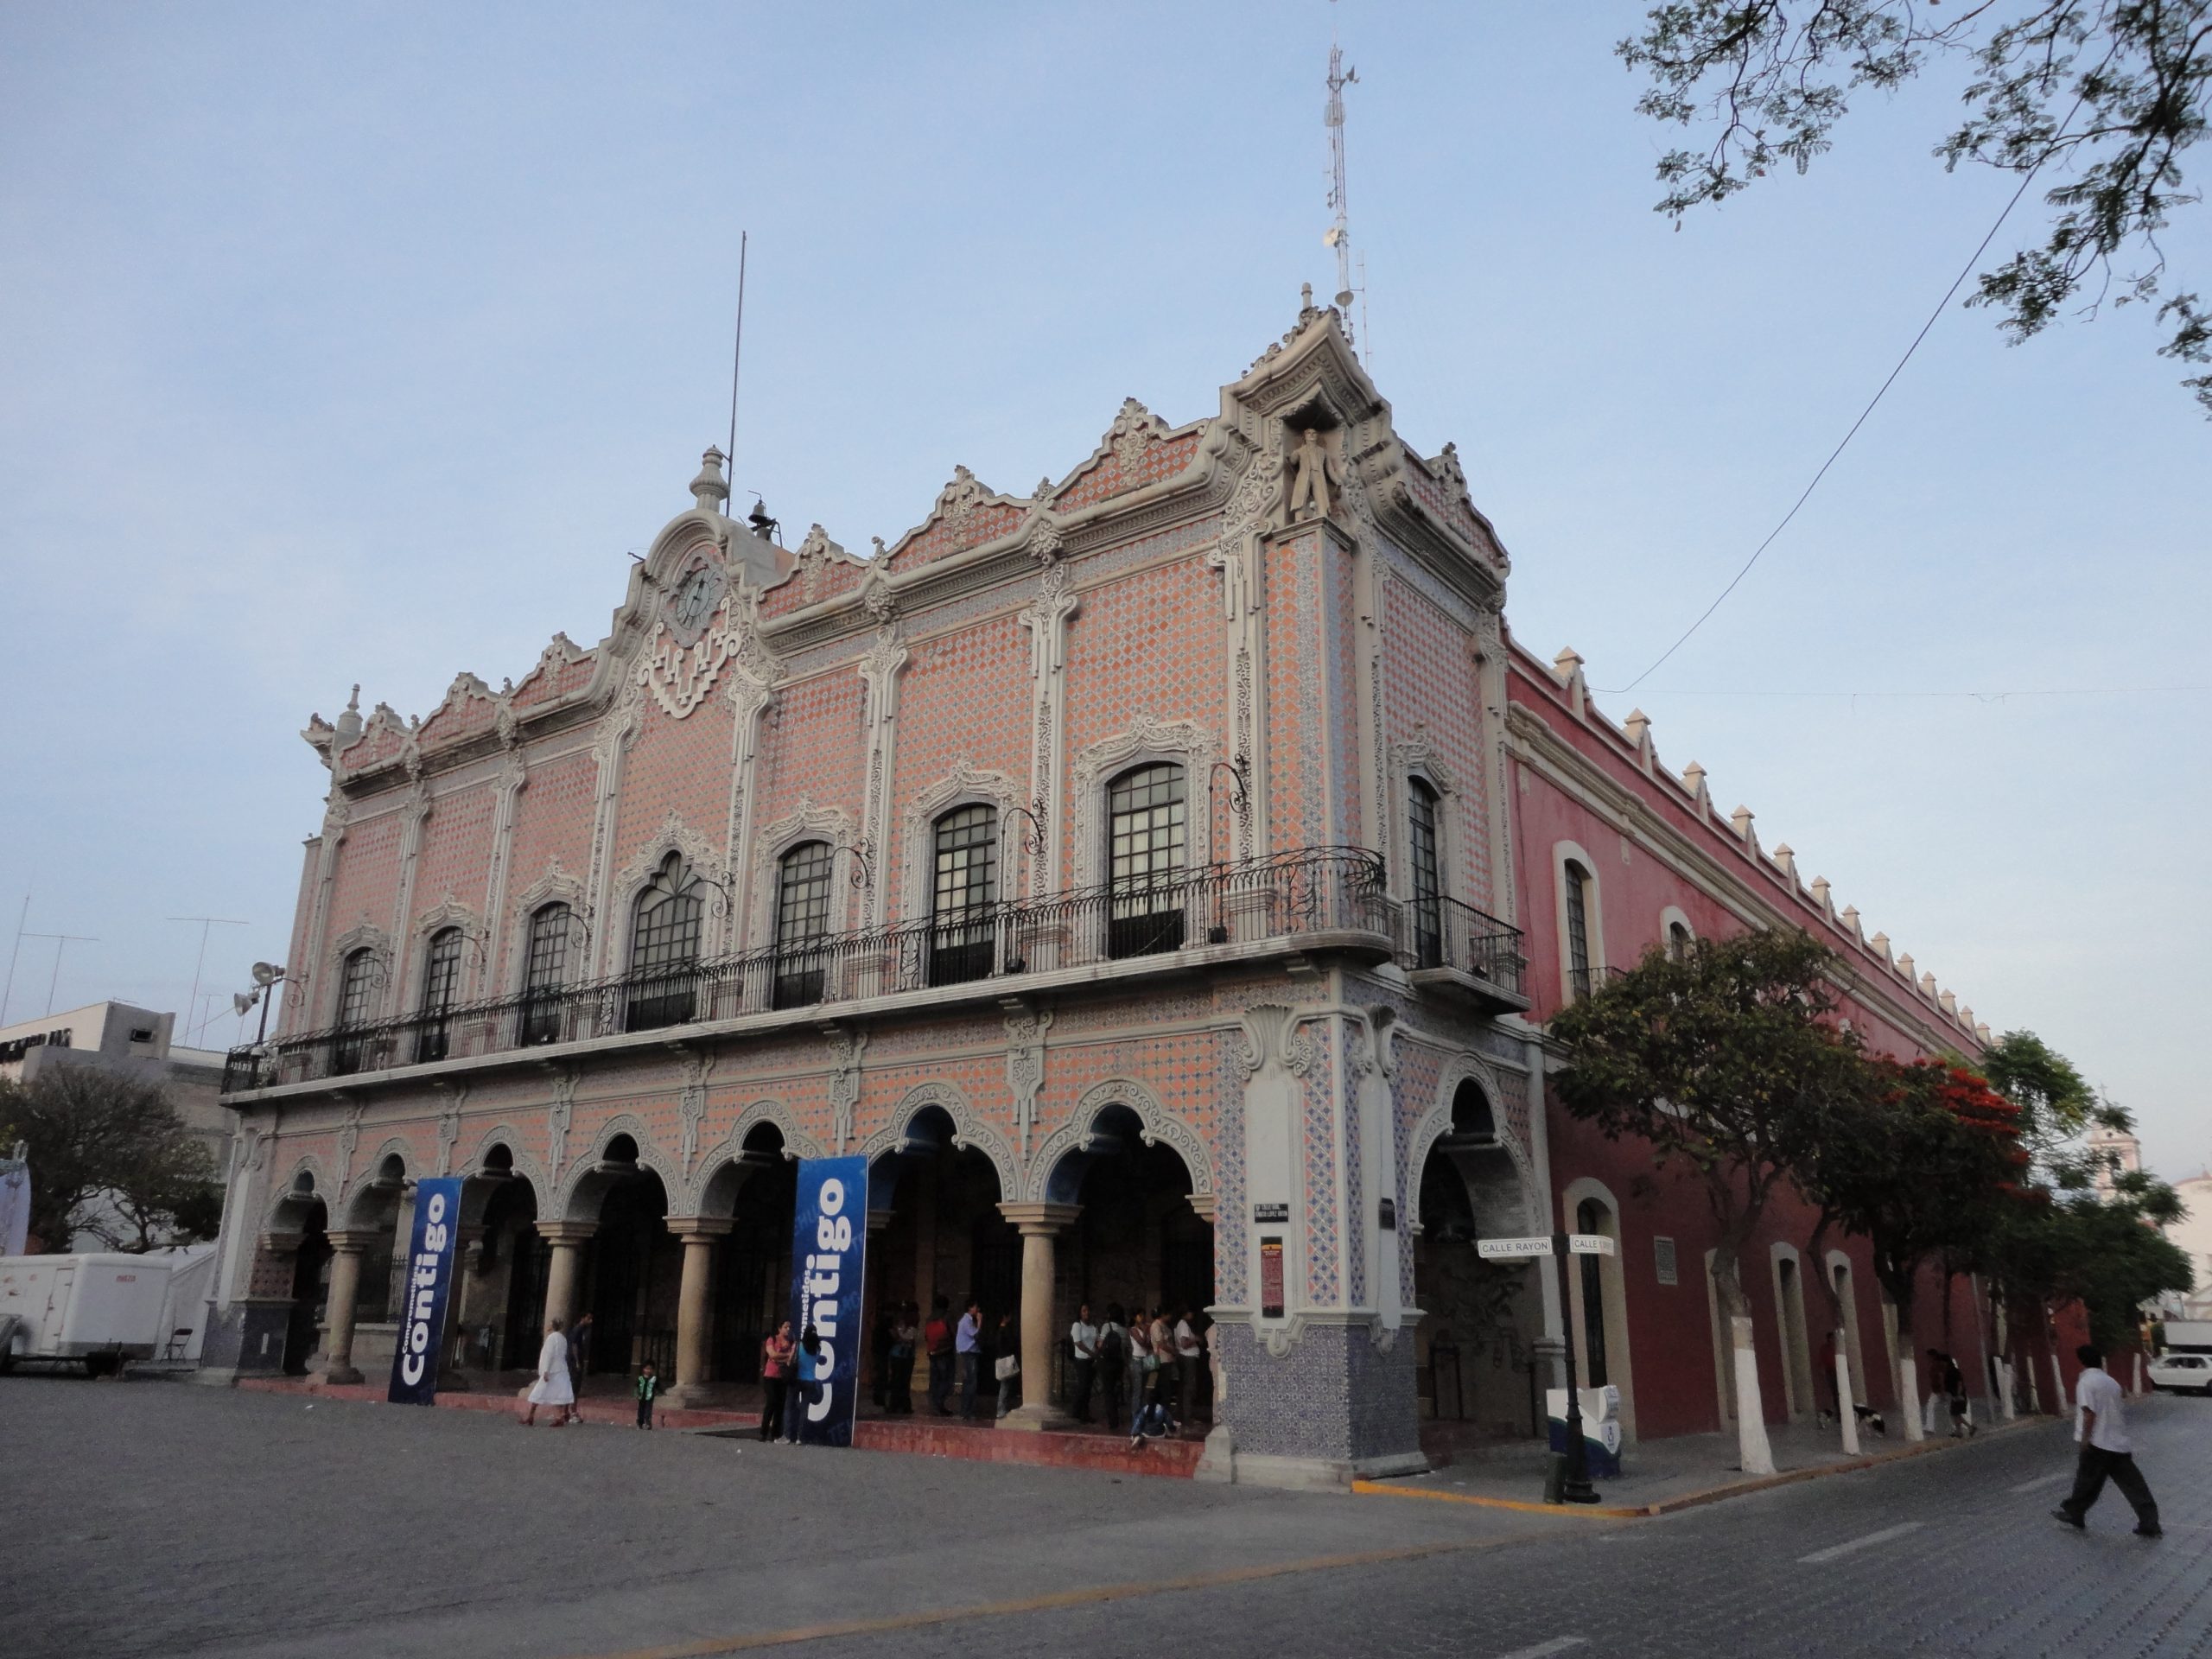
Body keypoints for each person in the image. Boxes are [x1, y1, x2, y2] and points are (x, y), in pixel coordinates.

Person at [2054, 1344, 2159, 1537]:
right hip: (2118, 1442)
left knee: (2087, 1481)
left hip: (2097, 1442)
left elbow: (2089, 1413)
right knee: (2134, 1484)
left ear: (2082, 1362)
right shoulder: (2112, 1382)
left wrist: (2085, 1439)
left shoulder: (2086, 1383)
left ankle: (2074, 1513)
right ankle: (2150, 1522)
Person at [522, 1319, 575, 1427]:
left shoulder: (552, 1338)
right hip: (561, 1369)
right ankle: (559, 1417)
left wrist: (545, 1371)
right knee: (558, 1394)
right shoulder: (562, 1338)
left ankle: (531, 1415)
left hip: (552, 1370)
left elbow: (549, 1355)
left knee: (538, 1392)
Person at [759, 1319, 796, 1443]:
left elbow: (792, 1358)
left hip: (782, 1377)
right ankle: (763, 1432)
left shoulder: (790, 1342)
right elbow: (773, 1355)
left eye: (789, 1327)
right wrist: (786, 1356)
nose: (788, 1330)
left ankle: (776, 1433)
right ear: (780, 1329)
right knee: (771, 1402)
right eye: (786, 1327)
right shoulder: (772, 1340)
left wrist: (787, 1356)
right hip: (770, 1376)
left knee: (780, 1406)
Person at [1096, 1304, 1128, 1433]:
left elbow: (1100, 1344)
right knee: (1116, 1390)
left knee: (1108, 1392)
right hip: (1119, 1363)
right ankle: (1117, 1416)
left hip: (1107, 1363)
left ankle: (1112, 1420)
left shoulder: (1106, 1327)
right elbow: (1126, 1349)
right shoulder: (1125, 1330)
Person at [1173, 1306, 1205, 1433]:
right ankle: (1187, 1417)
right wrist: (1196, 1339)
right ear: (1186, 1314)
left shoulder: (1181, 1325)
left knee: (1185, 1388)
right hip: (1188, 1358)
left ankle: (1185, 1415)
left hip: (1187, 1358)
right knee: (1188, 1388)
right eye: (1191, 1313)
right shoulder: (1183, 1324)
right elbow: (1184, 1344)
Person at [1069, 1303, 1099, 1425]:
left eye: (1088, 1310)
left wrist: (1096, 1352)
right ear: (1080, 1313)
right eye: (1084, 1311)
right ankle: (1076, 1411)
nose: (1087, 1313)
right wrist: (1091, 1353)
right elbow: (1078, 1343)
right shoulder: (1077, 1325)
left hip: (1091, 1360)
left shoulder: (1093, 1326)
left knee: (1088, 1388)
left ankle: (1085, 1413)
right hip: (1082, 1360)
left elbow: (1096, 1341)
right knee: (1082, 1386)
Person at [924, 1295, 954, 1416]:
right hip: (945, 1352)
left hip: (932, 1352)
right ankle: (939, 1403)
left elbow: (926, 1336)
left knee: (935, 1378)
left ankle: (934, 1403)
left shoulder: (929, 1318)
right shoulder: (947, 1316)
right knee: (946, 1379)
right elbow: (953, 1332)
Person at [887, 1302, 918, 1415]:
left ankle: (900, 1405)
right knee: (901, 1381)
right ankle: (899, 1405)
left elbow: (903, 1338)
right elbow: (906, 1338)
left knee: (901, 1381)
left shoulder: (904, 1324)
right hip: (901, 1355)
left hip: (903, 1355)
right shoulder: (902, 1323)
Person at [956, 1298, 983, 1420]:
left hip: (970, 1352)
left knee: (969, 1382)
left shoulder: (968, 1321)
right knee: (971, 1382)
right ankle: (966, 1411)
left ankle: (967, 1410)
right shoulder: (966, 1321)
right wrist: (980, 1321)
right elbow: (976, 1334)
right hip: (969, 1352)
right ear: (970, 1308)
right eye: (975, 1307)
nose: (977, 1310)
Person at [1937, 1350, 1974, 1438]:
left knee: (1955, 1414)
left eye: (1942, 1362)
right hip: (1955, 1395)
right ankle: (1961, 1431)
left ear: (1945, 1362)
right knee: (1955, 1414)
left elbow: (1959, 1383)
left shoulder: (1954, 1371)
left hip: (1958, 1395)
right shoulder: (1947, 1371)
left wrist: (1958, 1394)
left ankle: (1966, 1429)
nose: (1941, 1364)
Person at [869, 1306, 895, 1410]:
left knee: (881, 1376)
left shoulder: (880, 1325)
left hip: (880, 1352)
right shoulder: (885, 1326)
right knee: (882, 1376)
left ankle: (879, 1398)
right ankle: (880, 1398)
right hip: (882, 1353)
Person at [634, 1361, 658, 1430]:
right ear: (643, 1369)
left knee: (648, 1410)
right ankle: (640, 1422)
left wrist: (659, 1392)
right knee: (640, 1410)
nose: (648, 1370)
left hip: (649, 1397)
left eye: (650, 1369)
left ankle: (648, 1422)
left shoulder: (654, 1379)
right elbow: (636, 1386)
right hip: (641, 1397)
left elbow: (657, 1386)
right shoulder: (640, 1378)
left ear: (652, 1370)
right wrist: (636, 1394)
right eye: (646, 1369)